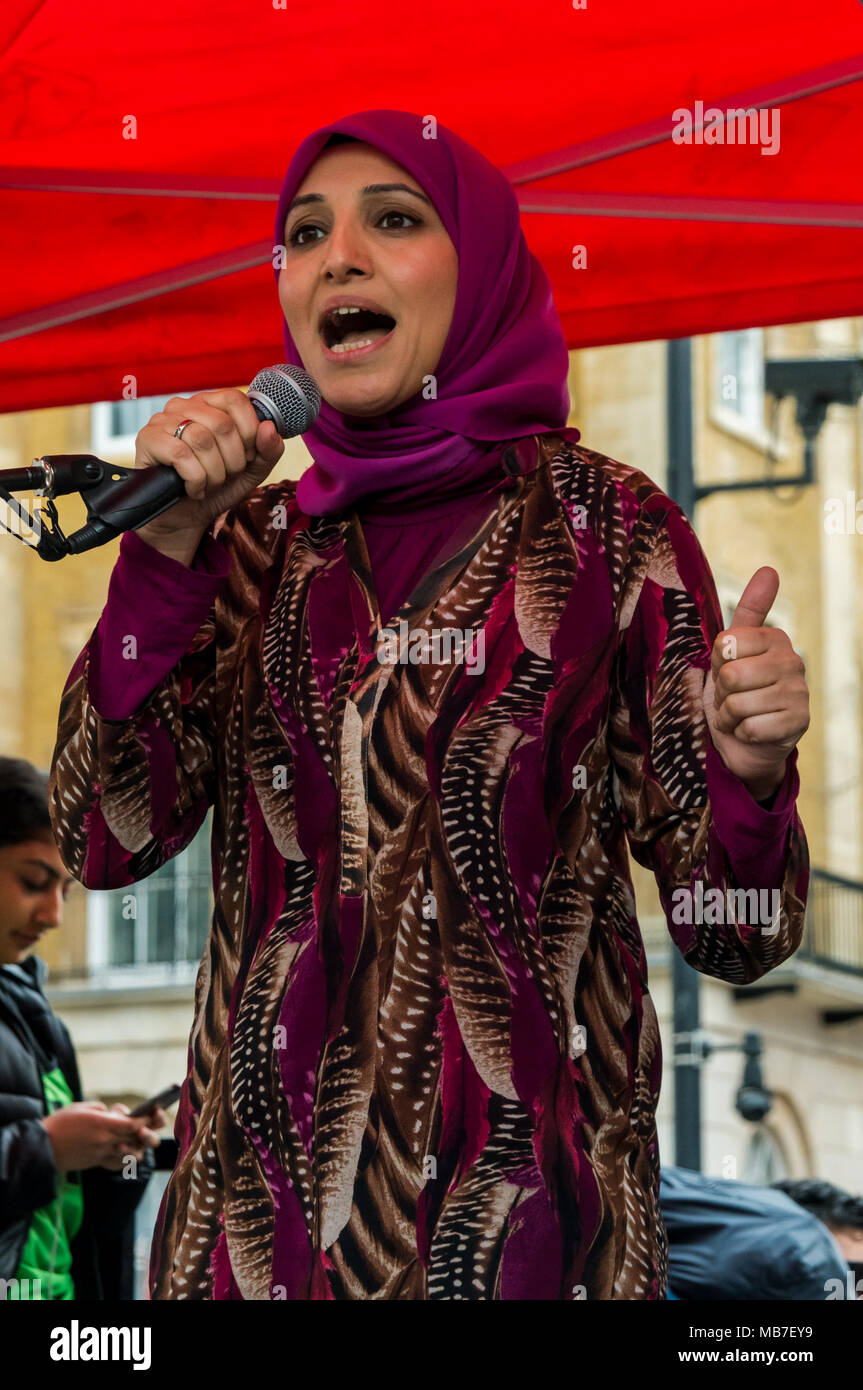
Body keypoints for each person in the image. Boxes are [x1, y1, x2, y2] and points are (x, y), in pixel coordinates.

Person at [47, 109, 811, 1301]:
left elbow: (735, 930)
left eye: (391, 221)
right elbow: (101, 843)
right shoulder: (243, 548)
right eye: (303, 235)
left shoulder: (608, 529)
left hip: (525, 1245)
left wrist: (748, 776)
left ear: (486, 273)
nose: (335, 257)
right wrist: (162, 554)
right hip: (249, 1253)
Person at [0, 756, 167, 1300]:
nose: (52, 915)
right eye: (33, 882)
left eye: (65, 891)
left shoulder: (39, 1020)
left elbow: (74, 1220)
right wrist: (44, 1149)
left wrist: (110, 1157)